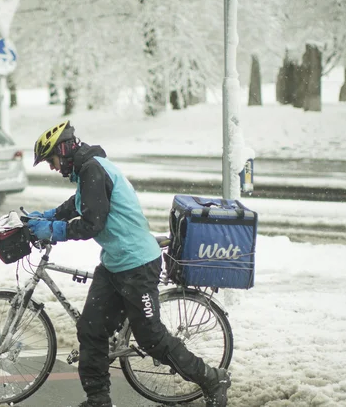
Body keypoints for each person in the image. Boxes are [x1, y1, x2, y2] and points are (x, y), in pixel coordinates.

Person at [26, 120, 231, 407]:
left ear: (65, 150)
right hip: (114, 264)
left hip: (137, 265)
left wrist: (54, 231)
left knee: (150, 337)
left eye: (52, 159)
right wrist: (47, 216)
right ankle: (98, 400)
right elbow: (79, 203)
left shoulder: (93, 169)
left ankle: (211, 378)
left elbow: (91, 224)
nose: (52, 167)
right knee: (91, 329)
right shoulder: (88, 169)